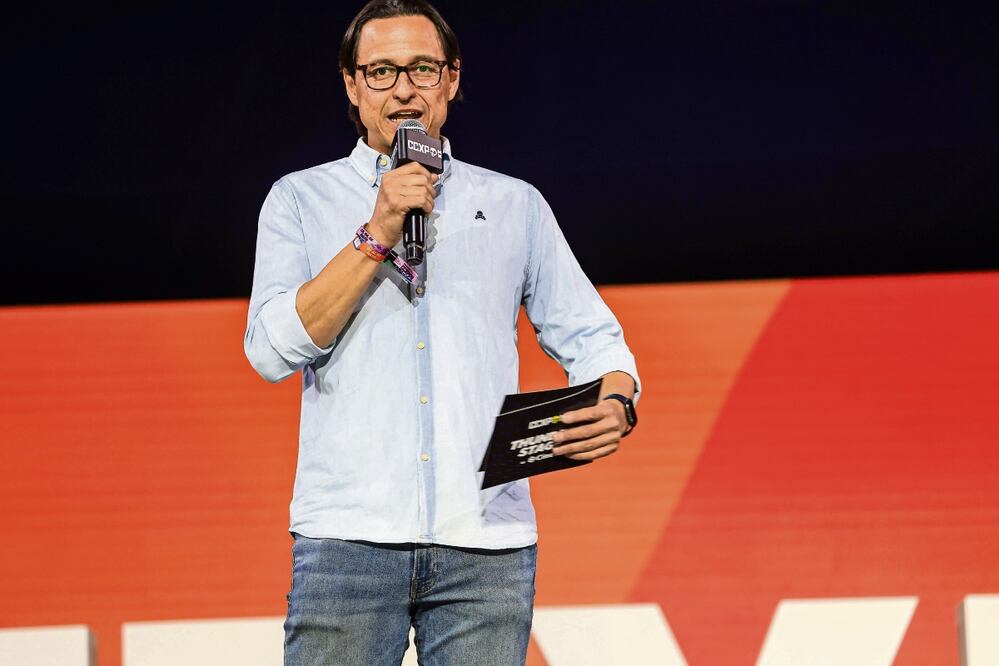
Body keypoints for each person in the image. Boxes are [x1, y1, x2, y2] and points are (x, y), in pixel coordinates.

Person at [244, 1, 640, 663]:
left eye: (422, 68)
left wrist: (616, 397)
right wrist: (378, 230)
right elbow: (271, 351)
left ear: (451, 80)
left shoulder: (513, 204)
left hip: (485, 543)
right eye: (381, 72)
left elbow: (592, 335)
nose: (403, 88)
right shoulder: (299, 201)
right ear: (351, 84)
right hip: (348, 540)